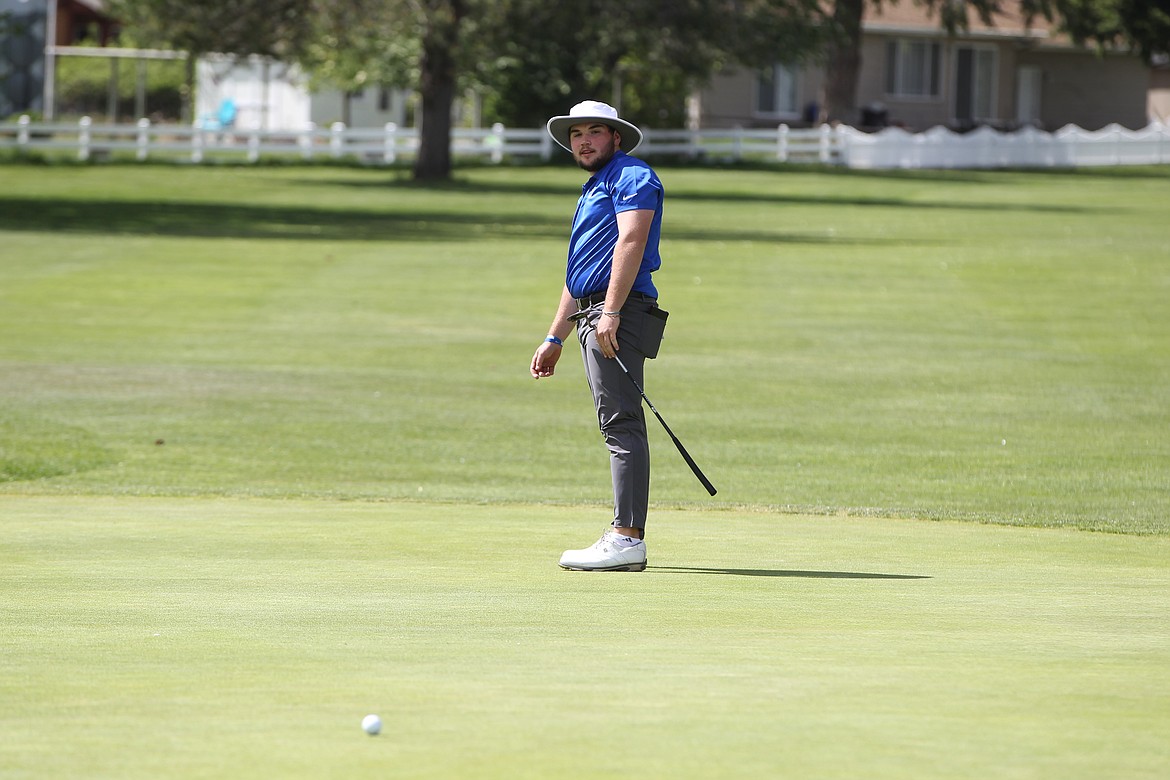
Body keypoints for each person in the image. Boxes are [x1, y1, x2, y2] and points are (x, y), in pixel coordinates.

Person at [530, 100, 667, 572]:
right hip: (595, 314)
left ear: (615, 138)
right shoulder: (594, 188)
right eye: (576, 134)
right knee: (616, 422)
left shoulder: (631, 175)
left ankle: (627, 538)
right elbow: (581, 272)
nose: (584, 140)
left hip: (617, 314)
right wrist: (555, 337)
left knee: (622, 424)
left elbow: (631, 241)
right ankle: (625, 535)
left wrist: (609, 313)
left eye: (594, 131)